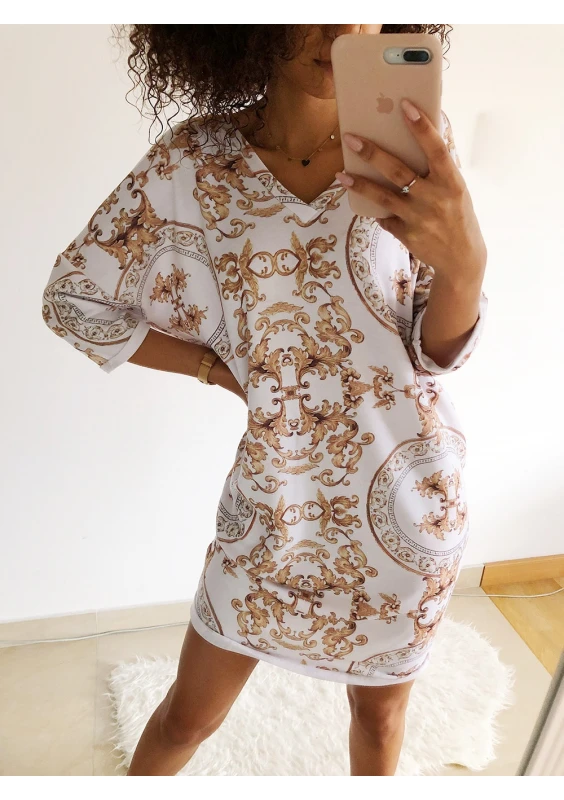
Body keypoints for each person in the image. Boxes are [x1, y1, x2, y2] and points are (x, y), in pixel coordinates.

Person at [41, 24, 489, 776]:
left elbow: (435, 349)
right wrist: (213, 368)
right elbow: (73, 299)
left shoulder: (414, 142)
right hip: (271, 506)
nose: (342, 29)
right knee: (186, 718)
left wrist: (467, 266)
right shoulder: (193, 163)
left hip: (411, 505)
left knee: (379, 719)